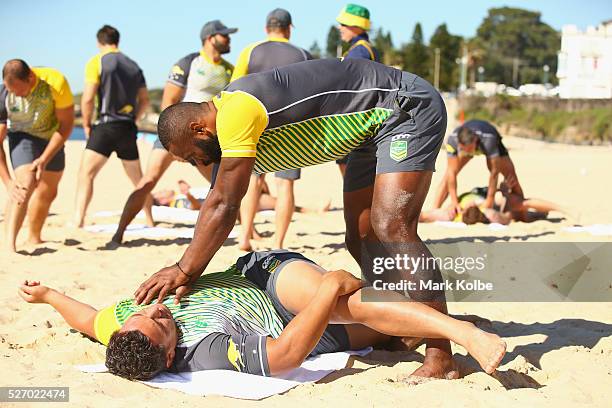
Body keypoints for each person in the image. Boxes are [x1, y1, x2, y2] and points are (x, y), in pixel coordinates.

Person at [135, 57, 460, 380]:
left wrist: (183, 269)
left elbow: (225, 203)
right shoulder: (225, 131)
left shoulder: (236, 112)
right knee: (360, 238)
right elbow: (214, 203)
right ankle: (409, 319)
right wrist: (188, 269)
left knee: (391, 228)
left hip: (401, 107)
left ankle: (440, 351)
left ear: (199, 128)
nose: (199, 162)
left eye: (193, 155)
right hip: (366, 136)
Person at [19, 250, 506, 380]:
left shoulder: (125, 323)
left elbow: (86, 319)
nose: (160, 309)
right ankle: (436, 317)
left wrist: (48, 296)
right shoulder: (205, 353)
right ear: (169, 356)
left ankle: (464, 333)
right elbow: (290, 352)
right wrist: (332, 282)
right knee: (375, 320)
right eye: (162, 323)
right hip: (312, 331)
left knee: (346, 302)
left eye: (145, 313)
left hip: (261, 275)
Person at [110, 20, 236, 245]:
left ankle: (248, 230)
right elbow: (169, 101)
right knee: (148, 182)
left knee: (222, 185)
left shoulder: (229, 69)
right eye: (224, 35)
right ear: (210, 38)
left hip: (205, 138)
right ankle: (119, 233)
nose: (229, 39)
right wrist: (173, 144)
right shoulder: (188, 63)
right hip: (175, 131)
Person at [231, 8, 312, 250]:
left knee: (254, 180)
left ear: (267, 29)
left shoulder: (251, 51)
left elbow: (234, 88)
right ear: (288, 29)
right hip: (292, 126)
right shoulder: (304, 55)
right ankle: (278, 242)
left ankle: (245, 236)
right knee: (284, 185)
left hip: (258, 124)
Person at [74, 25, 153, 228]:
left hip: (105, 126)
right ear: (117, 40)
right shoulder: (134, 65)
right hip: (127, 127)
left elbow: (88, 99)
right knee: (139, 180)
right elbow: (144, 101)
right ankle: (150, 219)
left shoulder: (97, 61)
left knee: (86, 174)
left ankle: (78, 220)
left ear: (99, 42)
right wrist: (133, 119)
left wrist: (85, 124)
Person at [0, 60, 74, 252]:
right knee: (25, 182)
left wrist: (44, 159)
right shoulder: (4, 96)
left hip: (52, 136)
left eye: (20, 90)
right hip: (21, 135)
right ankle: (10, 246)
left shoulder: (55, 83)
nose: (17, 95)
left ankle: (34, 237)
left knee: (49, 190)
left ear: (30, 77)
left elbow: (66, 126)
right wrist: (8, 182)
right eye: (12, 91)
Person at [431, 120, 524, 212]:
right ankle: (434, 209)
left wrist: (490, 199)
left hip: (489, 142)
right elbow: (451, 173)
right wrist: (454, 202)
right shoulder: (452, 140)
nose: (468, 152)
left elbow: (494, 173)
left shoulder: (488, 139)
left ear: (475, 140)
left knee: (511, 177)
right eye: (465, 149)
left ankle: (522, 208)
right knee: (448, 175)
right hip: (466, 145)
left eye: (470, 149)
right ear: (459, 144)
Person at [334, 3, 380, 177]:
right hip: (366, 119)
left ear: (356, 25)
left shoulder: (359, 52)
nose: (340, 28)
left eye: (343, 24)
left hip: (354, 120)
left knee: (351, 171)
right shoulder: (365, 48)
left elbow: (353, 88)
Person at [421, 183, 572, 225]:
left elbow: (423, 216)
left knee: (516, 205)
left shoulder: (451, 214)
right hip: (489, 200)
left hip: (485, 195)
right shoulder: (489, 214)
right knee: (520, 215)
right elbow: (508, 217)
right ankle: (539, 214)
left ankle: (558, 210)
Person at [152, 179, 330, 214]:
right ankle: (312, 210)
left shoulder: (176, 198)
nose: (163, 190)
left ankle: (309, 209)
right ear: (162, 201)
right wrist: (187, 193)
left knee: (262, 190)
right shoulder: (177, 203)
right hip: (231, 205)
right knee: (273, 200)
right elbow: (195, 207)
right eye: (159, 193)